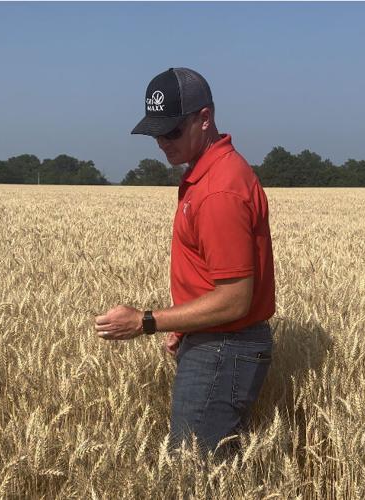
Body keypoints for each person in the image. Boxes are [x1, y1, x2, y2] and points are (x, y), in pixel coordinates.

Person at [93, 67, 277, 457]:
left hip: (223, 347)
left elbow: (234, 300)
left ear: (204, 118)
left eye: (173, 130)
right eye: (156, 132)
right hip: (215, 340)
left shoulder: (218, 191)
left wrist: (146, 321)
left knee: (196, 476)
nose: (162, 142)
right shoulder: (208, 175)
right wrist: (186, 325)